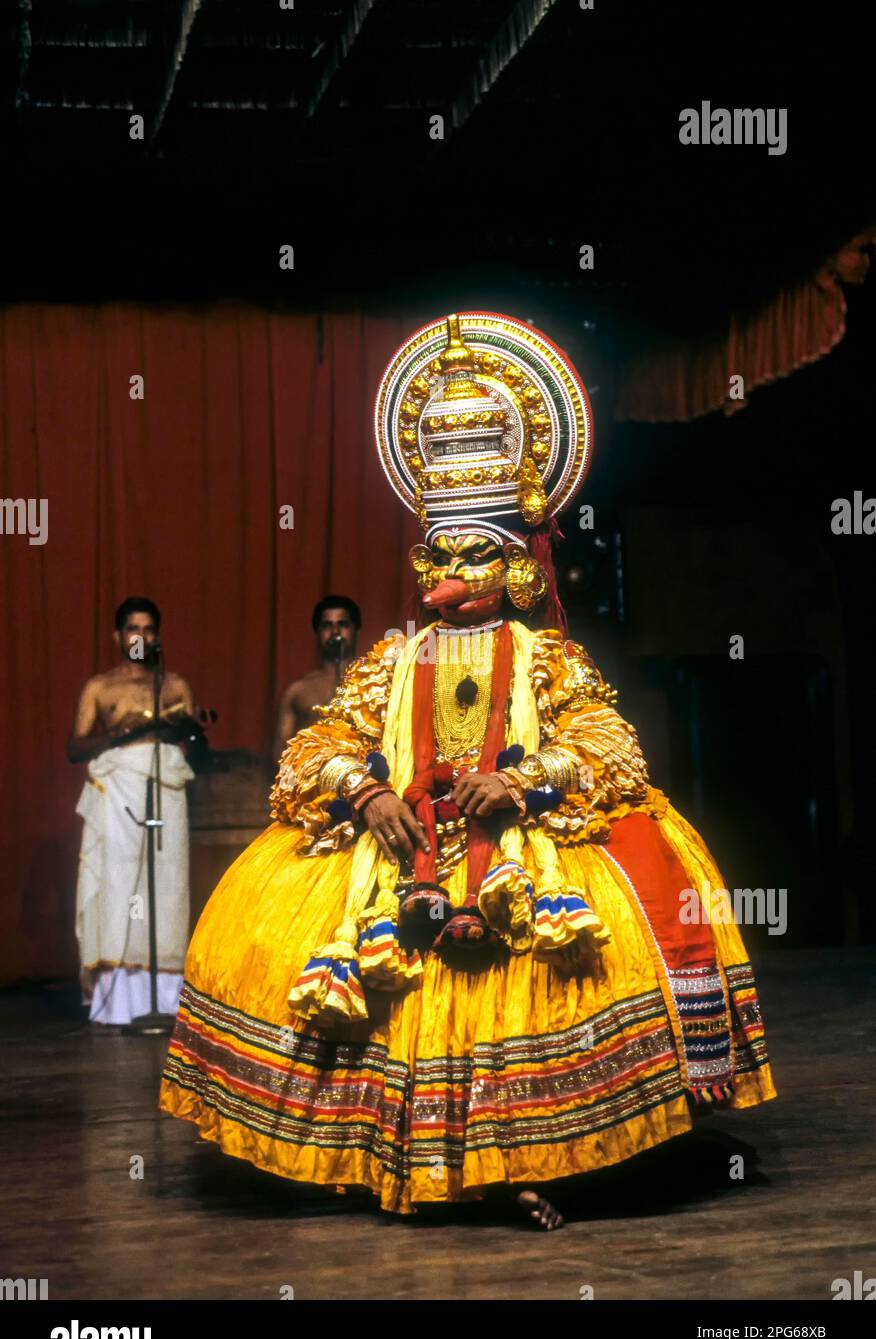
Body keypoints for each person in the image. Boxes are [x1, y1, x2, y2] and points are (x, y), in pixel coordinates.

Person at [159, 313, 776, 1228]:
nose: (454, 568)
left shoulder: (546, 660)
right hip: (396, 847)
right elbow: (310, 751)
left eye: (475, 552)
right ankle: (382, 1155)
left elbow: (612, 747)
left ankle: (535, 1157)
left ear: (515, 563)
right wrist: (362, 790)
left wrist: (525, 784)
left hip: (523, 852)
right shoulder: (391, 661)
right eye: (439, 553)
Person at [69, 597, 196, 1027]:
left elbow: (196, 747)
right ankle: (118, 1000)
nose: (139, 638)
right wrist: (120, 735)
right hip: (118, 790)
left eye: (148, 630)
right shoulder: (100, 688)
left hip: (167, 789)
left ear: (157, 636)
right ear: (118, 636)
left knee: (168, 887)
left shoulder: (175, 686)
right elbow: (76, 747)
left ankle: (166, 998)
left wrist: (184, 730)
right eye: (131, 629)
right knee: (121, 885)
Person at [272, 596, 361, 759]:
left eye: (343, 624)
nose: (335, 632)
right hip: (312, 779)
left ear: (356, 630)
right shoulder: (298, 691)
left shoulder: (376, 685)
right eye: (327, 626)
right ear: (317, 632)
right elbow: (280, 756)